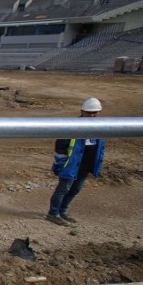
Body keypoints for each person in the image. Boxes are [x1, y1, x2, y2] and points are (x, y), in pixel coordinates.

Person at [46, 97, 105, 227]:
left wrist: (97, 165)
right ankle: (53, 213)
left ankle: (63, 211)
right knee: (63, 189)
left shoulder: (100, 127)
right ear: (82, 111)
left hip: (85, 166)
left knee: (75, 190)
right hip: (70, 165)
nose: (92, 115)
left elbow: (100, 148)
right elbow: (60, 148)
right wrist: (61, 164)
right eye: (89, 112)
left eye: (95, 112)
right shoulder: (71, 126)